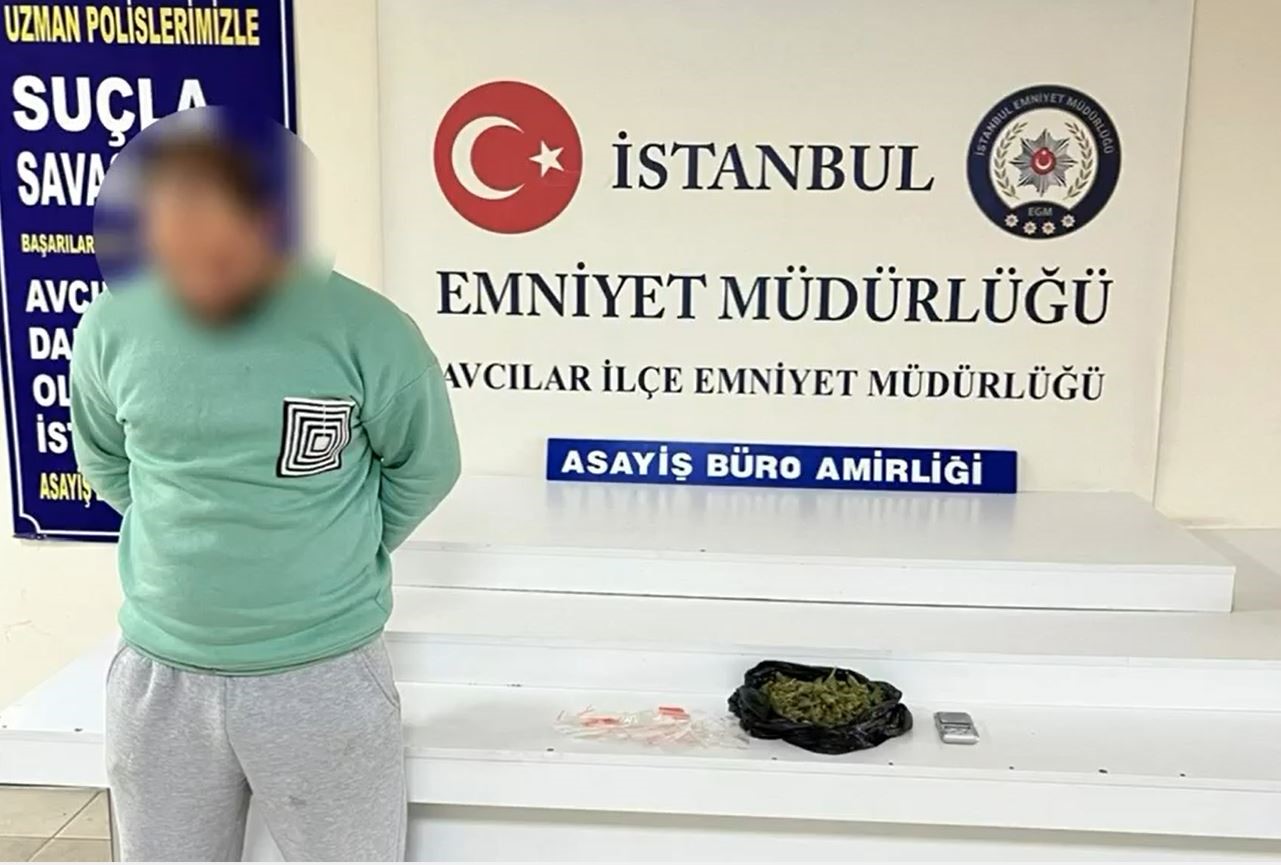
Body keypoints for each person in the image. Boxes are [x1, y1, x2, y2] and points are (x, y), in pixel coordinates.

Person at [70, 123, 460, 861]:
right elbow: (108, 461)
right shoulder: (110, 328)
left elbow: (425, 465)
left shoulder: (369, 331)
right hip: (161, 678)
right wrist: (190, 546)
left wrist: (331, 552)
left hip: (324, 674)